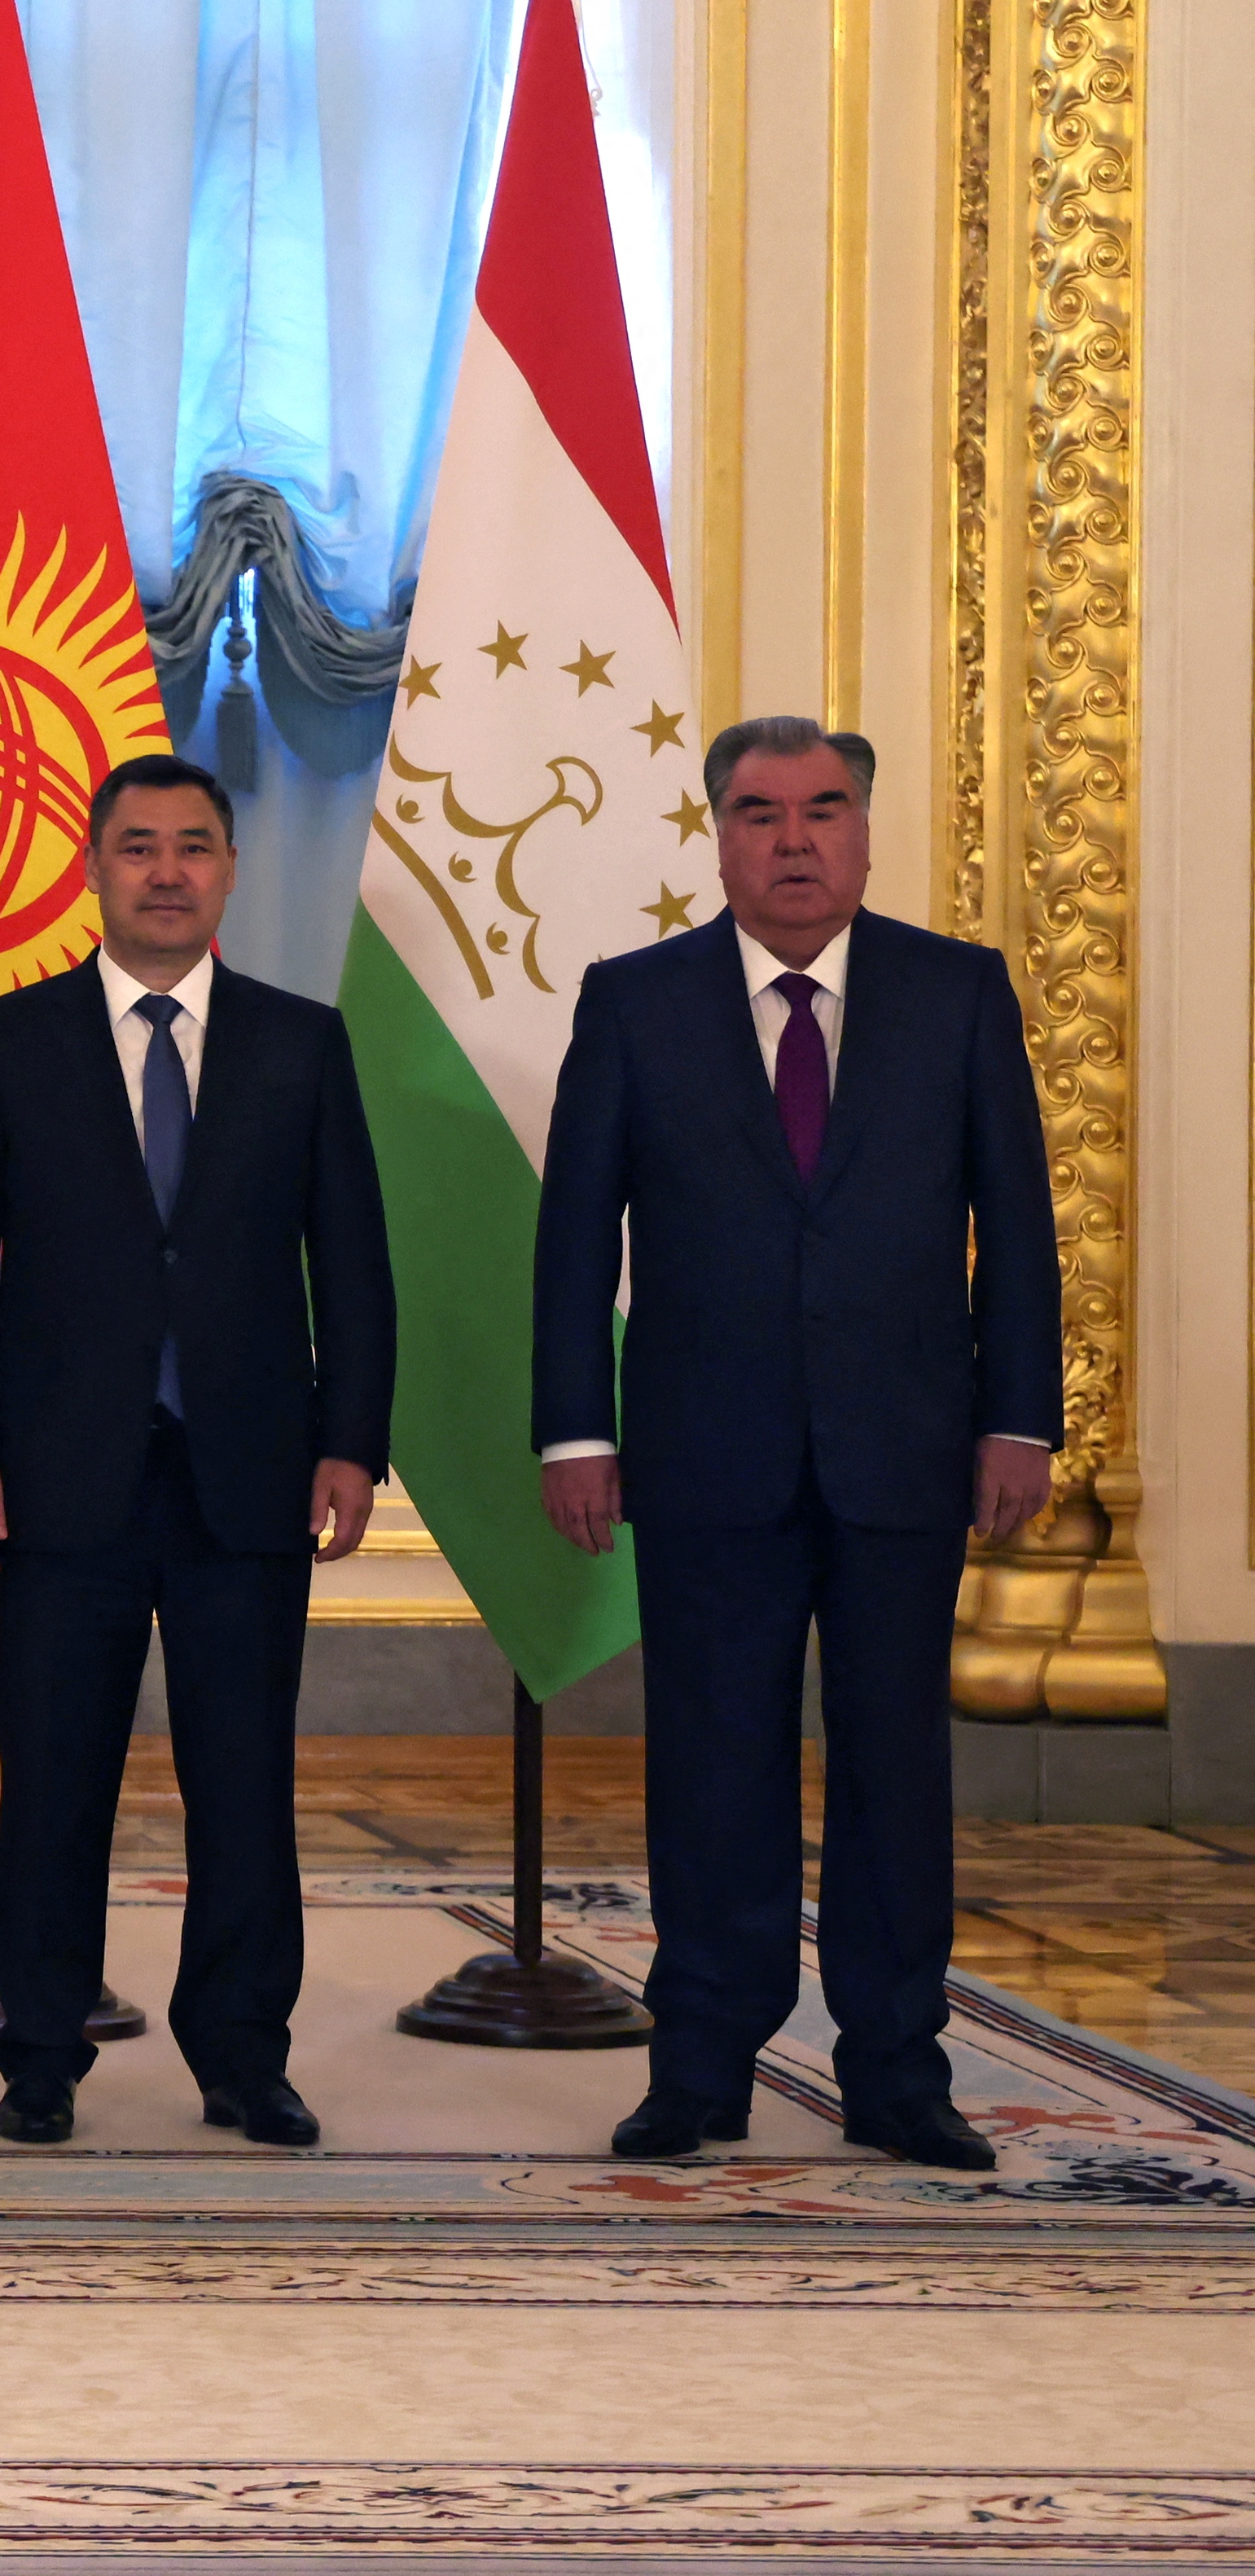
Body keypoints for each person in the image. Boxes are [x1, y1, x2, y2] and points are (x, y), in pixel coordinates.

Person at [535, 718, 1059, 2172]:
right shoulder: (637, 1003)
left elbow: (1013, 1223)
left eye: (822, 809)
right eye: (758, 813)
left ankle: (896, 2071)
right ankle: (698, 2065)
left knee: (894, 1770)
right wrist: (575, 1430)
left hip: (908, 1449)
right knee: (711, 1767)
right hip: (706, 1454)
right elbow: (576, 1237)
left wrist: (1016, 1414)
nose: (792, 840)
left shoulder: (956, 995)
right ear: (715, 836)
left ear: (866, 828)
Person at [0, 755, 394, 2150]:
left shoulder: (299, 1044)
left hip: (247, 1474)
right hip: (58, 1477)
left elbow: (351, 1265)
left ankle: (242, 2052)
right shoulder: (9, 1041)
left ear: (231, 870)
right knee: (53, 1777)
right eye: (137, 847)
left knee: (242, 1781)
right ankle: (41, 2052)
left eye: (193, 846)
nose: (166, 870)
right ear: (90, 869)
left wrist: (351, 1441)